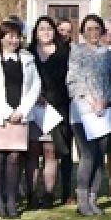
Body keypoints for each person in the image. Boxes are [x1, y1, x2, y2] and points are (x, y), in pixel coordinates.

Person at [0, 20, 42, 220]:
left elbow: (35, 86)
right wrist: (7, 112)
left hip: (20, 116)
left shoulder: (27, 58)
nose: (13, 40)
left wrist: (22, 110)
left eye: (16, 36)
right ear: (1, 38)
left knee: (15, 158)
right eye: (9, 36)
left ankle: (12, 200)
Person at [66, 14, 111, 217]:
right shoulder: (76, 51)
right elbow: (73, 80)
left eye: (97, 29)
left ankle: (94, 198)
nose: (93, 33)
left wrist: (104, 100)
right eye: (89, 29)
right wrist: (90, 100)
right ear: (83, 31)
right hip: (83, 110)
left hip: (103, 110)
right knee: (87, 155)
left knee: (99, 156)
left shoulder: (108, 54)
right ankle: (82, 199)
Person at [27, 16, 72, 209]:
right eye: (41, 29)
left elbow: (68, 80)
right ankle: (31, 194)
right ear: (35, 33)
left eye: (49, 29)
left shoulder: (65, 53)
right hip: (32, 107)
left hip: (57, 108)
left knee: (50, 152)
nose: (46, 32)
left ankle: (48, 194)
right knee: (32, 153)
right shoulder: (27, 54)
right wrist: (35, 97)